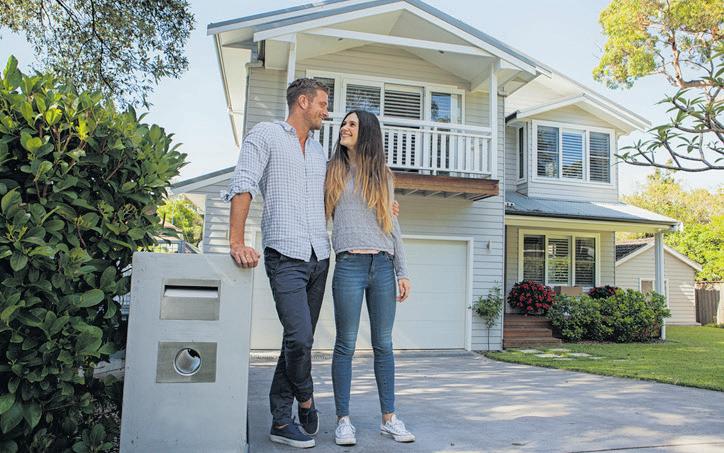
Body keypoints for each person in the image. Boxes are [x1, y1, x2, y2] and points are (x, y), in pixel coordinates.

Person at [225, 78, 330, 449]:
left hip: (320, 256)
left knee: (297, 341)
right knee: (300, 337)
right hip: (285, 254)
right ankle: (305, 398)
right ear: (302, 102)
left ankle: (281, 422)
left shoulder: (318, 151)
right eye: (322, 103)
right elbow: (244, 183)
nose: (326, 111)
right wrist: (236, 241)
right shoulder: (266, 134)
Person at [324, 110, 415, 446]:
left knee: (384, 345)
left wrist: (402, 270)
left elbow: (392, 224)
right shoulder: (332, 170)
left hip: (383, 265)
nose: (345, 128)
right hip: (349, 264)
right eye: (344, 123)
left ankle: (389, 419)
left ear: (367, 133)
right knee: (345, 344)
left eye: (352, 124)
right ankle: (343, 421)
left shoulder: (382, 174)